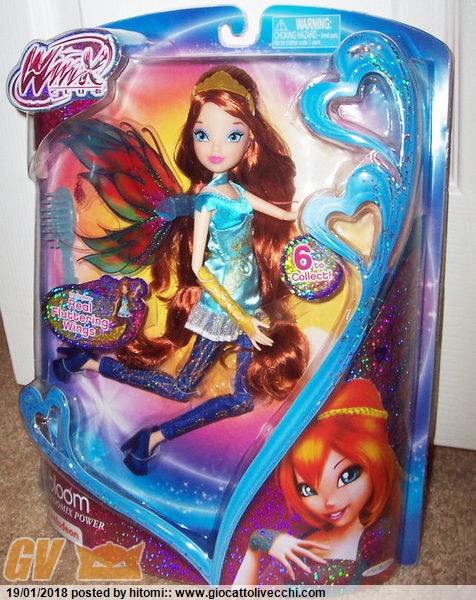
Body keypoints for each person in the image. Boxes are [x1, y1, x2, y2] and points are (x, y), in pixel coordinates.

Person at [53, 65, 309, 475]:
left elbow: (281, 212)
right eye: (203, 134)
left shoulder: (238, 191)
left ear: (251, 139)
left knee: (242, 399)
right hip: (224, 308)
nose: (216, 147)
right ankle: (90, 365)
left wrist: (317, 212)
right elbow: (199, 269)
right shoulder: (207, 200)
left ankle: (152, 437)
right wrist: (241, 317)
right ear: (192, 137)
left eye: (233, 135)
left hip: (249, 303)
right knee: (182, 386)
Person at [233, 378, 401, 585]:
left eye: (347, 476)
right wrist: (257, 543)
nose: (329, 501)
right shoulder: (300, 543)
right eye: (308, 489)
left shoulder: (378, 535)